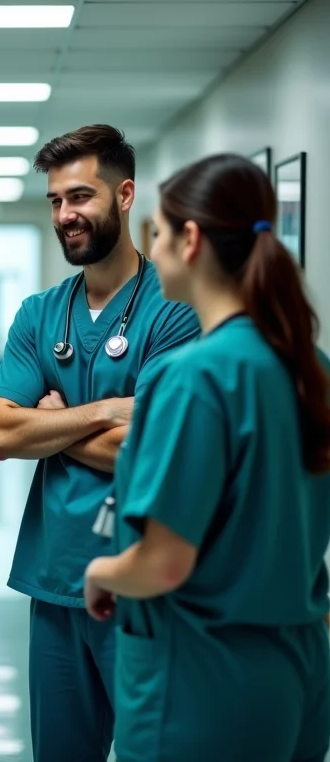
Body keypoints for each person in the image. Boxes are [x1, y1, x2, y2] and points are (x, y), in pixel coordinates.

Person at [84, 153, 330, 762]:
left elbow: (165, 563)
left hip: (200, 681)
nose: (154, 249)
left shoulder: (194, 375)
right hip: (296, 672)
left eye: (159, 233)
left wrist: (101, 573)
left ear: (190, 240)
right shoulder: (312, 368)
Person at [0, 125, 200, 762]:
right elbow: (2, 430)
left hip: (147, 581)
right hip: (56, 581)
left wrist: (53, 424)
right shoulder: (39, 312)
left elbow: (160, 448)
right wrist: (106, 410)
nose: (65, 215)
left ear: (125, 194)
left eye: (80, 196)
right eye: (54, 201)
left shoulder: (177, 308)